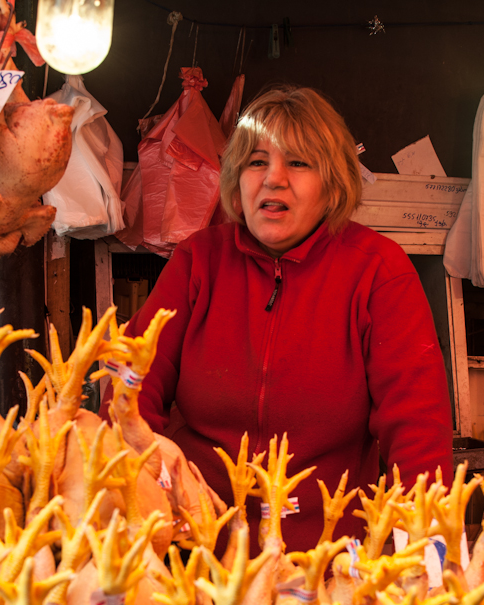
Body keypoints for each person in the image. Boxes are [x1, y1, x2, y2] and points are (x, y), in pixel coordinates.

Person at [107, 85, 454, 557]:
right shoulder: (197, 260)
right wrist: (140, 473)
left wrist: (428, 560)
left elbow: (418, 430)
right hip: (194, 553)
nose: (273, 179)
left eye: (299, 162)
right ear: (236, 178)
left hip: (325, 566)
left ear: (332, 184)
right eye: (255, 161)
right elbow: (130, 381)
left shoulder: (379, 271)